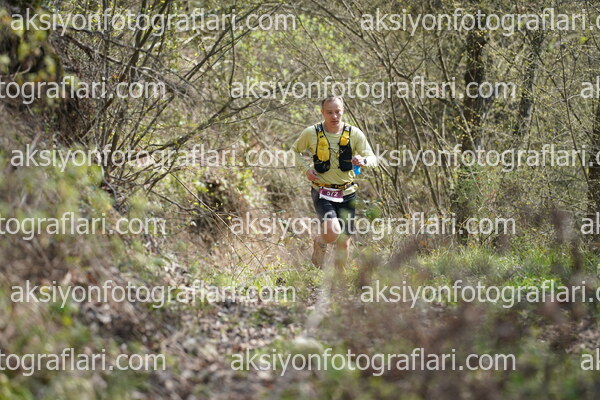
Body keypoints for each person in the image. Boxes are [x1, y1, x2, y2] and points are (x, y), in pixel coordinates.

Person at [291, 96, 377, 270]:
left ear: (343, 111)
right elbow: (295, 151)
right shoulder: (311, 133)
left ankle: (338, 280)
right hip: (322, 191)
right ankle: (320, 241)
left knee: (344, 242)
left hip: (348, 192)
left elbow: (373, 158)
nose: (334, 116)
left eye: (337, 112)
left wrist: (363, 161)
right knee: (332, 231)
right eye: (329, 112)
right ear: (322, 112)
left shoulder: (354, 133)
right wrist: (306, 170)